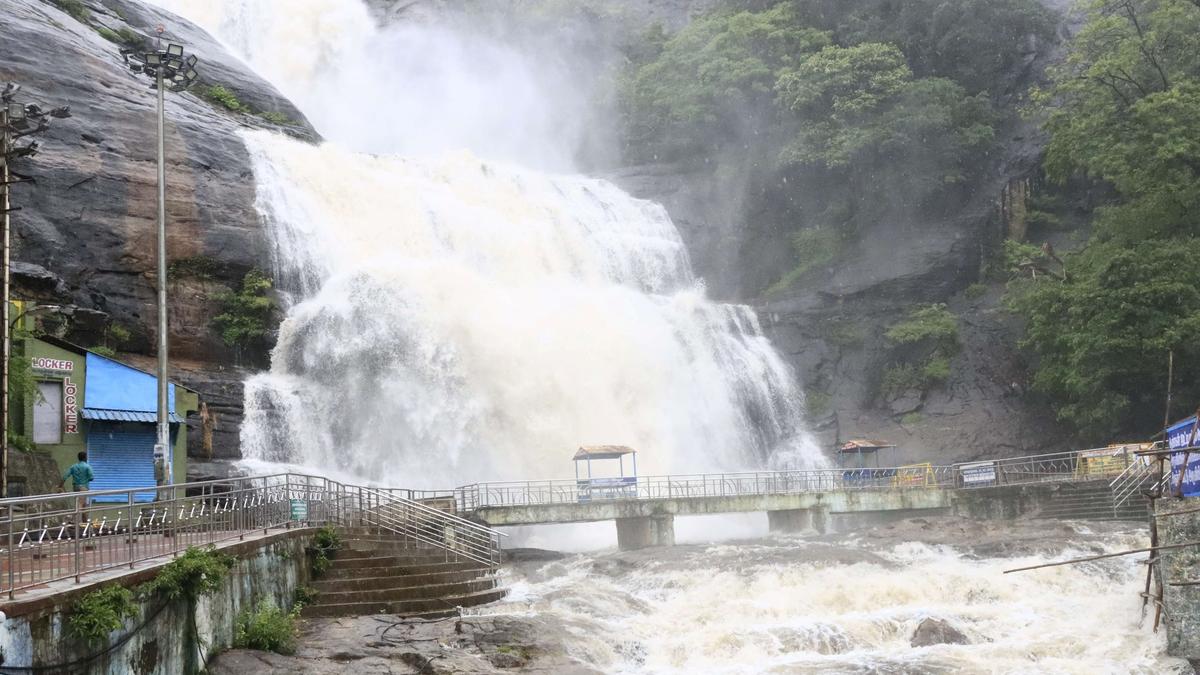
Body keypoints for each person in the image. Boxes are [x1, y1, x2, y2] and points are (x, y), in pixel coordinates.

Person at [62, 451, 94, 522]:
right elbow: (91, 477)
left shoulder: (73, 466)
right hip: (83, 487)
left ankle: (85, 522)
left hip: (75, 487)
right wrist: (85, 479)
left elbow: (65, 476)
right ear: (85, 458)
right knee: (80, 504)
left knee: (84, 505)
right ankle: (72, 519)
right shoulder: (87, 466)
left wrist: (60, 485)